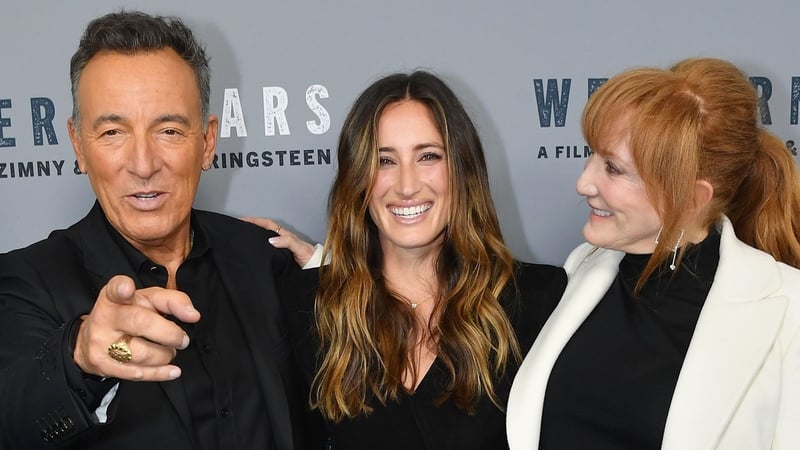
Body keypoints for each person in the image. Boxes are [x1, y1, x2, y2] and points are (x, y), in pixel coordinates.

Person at [0, 11, 309, 450]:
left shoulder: (263, 255)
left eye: (168, 130)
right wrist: (80, 357)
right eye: (112, 131)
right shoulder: (25, 281)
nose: (143, 164)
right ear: (78, 145)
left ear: (207, 142)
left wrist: (327, 268)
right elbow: (12, 417)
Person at [506, 57, 800, 449]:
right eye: (592, 154)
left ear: (691, 199)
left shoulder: (787, 312)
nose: (583, 183)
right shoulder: (583, 268)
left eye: (613, 169)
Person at [268, 71, 567, 450]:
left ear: (462, 169)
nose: (407, 185)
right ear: (358, 178)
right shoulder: (306, 305)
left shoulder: (539, 301)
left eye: (428, 156)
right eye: (384, 160)